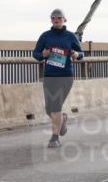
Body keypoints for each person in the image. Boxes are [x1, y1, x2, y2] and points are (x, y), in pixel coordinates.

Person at [32, 9, 84, 149]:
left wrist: (76, 55)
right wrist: (42, 54)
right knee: (49, 109)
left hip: (65, 76)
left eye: (59, 17)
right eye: (53, 17)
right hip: (49, 76)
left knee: (56, 106)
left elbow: (81, 54)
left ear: (64, 19)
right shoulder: (45, 36)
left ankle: (54, 138)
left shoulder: (70, 36)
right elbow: (35, 54)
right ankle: (62, 119)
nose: (56, 19)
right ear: (51, 20)